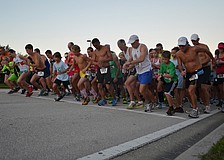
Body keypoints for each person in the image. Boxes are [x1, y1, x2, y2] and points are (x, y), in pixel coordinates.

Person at [176, 37, 214, 118]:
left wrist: (213, 59)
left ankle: (197, 109)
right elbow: (179, 64)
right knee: (188, 91)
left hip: (198, 71)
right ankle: (196, 106)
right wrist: (181, 70)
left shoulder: (194, 49)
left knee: (194, 89)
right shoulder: (179, 53)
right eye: (180, 46)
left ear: (187, 44)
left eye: (183, 46)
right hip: (189, 73)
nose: (182, 48)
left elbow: (206, 51)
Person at [124, 35, 156, 112]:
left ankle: (149, 102)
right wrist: (127, 65)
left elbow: (141, 58)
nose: (132, 45)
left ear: (137, 41)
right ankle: (153, 101)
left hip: (146, 70)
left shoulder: (143, 47)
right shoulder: (132, 50)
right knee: (145, 89)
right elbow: (131, 59)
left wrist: (130, 63)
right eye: (131, 43)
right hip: (139, 71)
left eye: (133, 43)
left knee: (141, 90)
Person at [117, 39, 143, 109]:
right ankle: (139, 101)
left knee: (127, 83)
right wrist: (126, 66)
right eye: (118, 47)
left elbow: (134, 60)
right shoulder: (124, 52)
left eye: (120, 46)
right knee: (132, 86)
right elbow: (128, 61)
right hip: (132, 70)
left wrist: (128, 66)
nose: (120, 48)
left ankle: (132, 101)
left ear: (124, 44)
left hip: (136, 69)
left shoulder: (130, 50)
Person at [91, 38, 117, 106]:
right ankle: (103, 99)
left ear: (99, 43)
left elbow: (110, 58)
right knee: (99, 85)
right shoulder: (95, 51)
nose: (96, 47)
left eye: (97, 45)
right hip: (100, 69)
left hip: (107, 68)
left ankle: (114, 98)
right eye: (94, 46)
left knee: (108, 85)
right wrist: (97, 63)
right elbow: (93, 61)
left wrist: (103, 60)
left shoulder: (105, 48)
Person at [191, 34, 212, 113]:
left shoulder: (204, 47)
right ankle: (204, 104)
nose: (194, 42)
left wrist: (200, 64)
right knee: (198, 87)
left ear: (198, 39)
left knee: (204, 87)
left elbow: (208, 58)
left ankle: (207, 105)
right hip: (197, 69)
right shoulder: (192, 49)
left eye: (195, 41)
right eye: (192, 41)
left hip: (205, 68)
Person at [157, 51, 178, 115]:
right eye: (163, 59)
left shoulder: (171, 65)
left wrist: (163, 75)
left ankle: (171, 107)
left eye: (165, 59)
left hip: (173, 81)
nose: (164, 61)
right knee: (164, 91)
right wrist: (160, 76)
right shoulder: (163, 64)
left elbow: (171, 75)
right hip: (166, 80)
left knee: (168, 93)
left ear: (169, 58)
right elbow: (160, 72)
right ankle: (177, 106)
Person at [171, 47, 184, 112]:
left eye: (174, 53)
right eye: (172, 53)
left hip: (179, 76)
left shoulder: (180, 60)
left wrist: (179, 67)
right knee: (175, 90)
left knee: (180, 90)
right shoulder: (170, 61)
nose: (173, 54)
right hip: (173, 77)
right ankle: (177, 104)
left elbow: (183, 68)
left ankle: (180, 103)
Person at [215, 42, 224, 113]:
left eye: (222, 48)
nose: (220, 49)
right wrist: (216, 62)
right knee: (220, 89)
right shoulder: (217, 55)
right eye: (219, 48)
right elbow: (214, 63)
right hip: (219, 73)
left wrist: (222, 62)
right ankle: (221, 101)